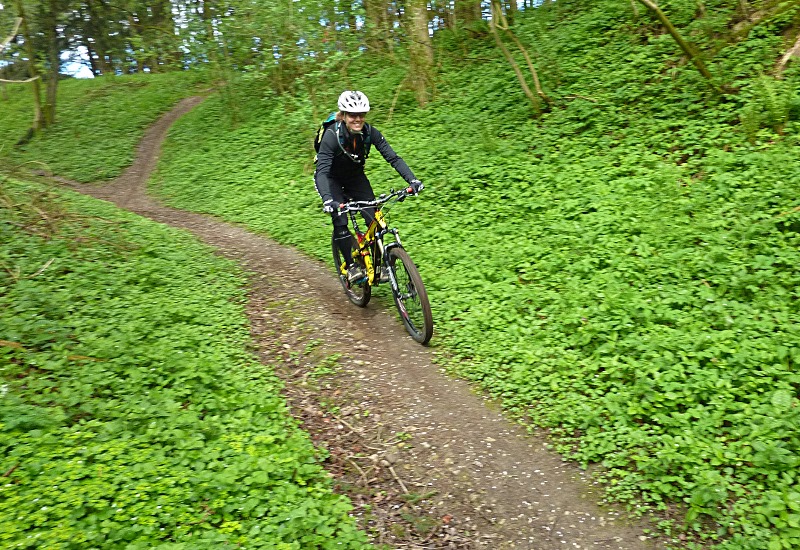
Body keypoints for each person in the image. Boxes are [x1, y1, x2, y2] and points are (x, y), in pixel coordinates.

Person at [315, 90, 423, 283]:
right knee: (340, 220)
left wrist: (412, 180)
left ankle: (380, 267)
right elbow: (322, 172)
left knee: (374, 219)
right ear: (343, 115)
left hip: (355, 177)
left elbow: (393, 158)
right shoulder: (331, 136)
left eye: (361, 114)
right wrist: (328, 200)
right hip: (331, 178)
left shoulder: (369, 133)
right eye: (352, 115)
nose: (357, 119)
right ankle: (351, 267)